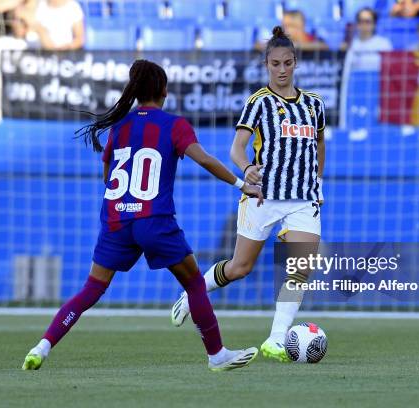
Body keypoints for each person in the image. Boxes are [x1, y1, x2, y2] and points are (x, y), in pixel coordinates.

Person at [21, 59, 262, 372]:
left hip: (116, 219)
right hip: (154, 220)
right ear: (164, 91)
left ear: (135, 92)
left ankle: (42, 346)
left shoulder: (119, 127)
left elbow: (108, 175)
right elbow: (204, 160)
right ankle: (217, 355)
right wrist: (243, 184)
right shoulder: (174, 125)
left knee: (92, 288)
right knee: (193, 284)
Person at [171, 26, 326, 363]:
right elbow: (237, 148)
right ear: (266, 65)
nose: (282, 70)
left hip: (304, 199)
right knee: (241, 267)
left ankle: (276, 340)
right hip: (263, 195)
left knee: (301, 266)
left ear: (295, 63)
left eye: (287, 63)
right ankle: (192, 292)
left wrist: (317, 180)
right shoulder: (258, 103)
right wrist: (247, 168)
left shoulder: (314, 105)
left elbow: (319, 144)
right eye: (275, 64)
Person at [344, 7, 393, 71]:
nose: (363, 24)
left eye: (367, 21)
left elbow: (389, 68)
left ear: (374, 24)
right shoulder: (351, 44)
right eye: (360, 21)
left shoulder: (384, 44)